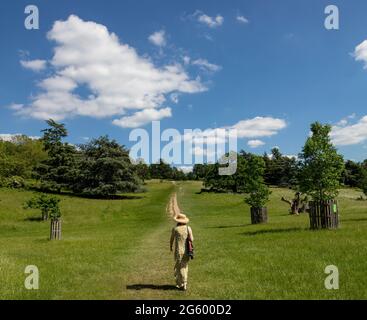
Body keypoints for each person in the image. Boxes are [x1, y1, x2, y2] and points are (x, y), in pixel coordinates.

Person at [170, 213, 194, 291]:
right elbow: (192, 239)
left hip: (178, 251)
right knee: (184, 266)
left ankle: (182, 283)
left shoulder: (175, 229)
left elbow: (171, 239)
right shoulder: (188, 228)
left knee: (179, 267)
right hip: (187, 251)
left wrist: (170, 246)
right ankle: (183, 283)